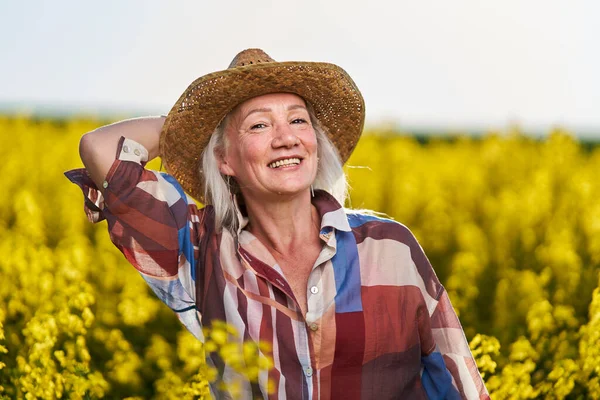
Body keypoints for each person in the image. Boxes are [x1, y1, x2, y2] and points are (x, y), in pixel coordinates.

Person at [66, 49, 489, 399]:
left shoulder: (389, 246)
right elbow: (100, 149)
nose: (285, 137)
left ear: (316, 146)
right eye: (259, 125)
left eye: (298, 120)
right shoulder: (200, 252)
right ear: (224, 159)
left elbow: (457, 382)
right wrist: (182, 128)